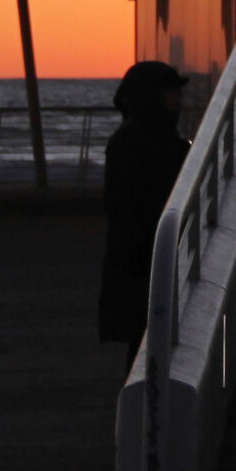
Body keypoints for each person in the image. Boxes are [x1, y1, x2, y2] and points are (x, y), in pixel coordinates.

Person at [99, 61, 190, 373]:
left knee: (148, 346)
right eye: (169, 92)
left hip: (147, 258)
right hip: (144, 261)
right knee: (146, 346)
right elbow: (129, 210)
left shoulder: (153, 138)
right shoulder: (133, 142)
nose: (176, 99)